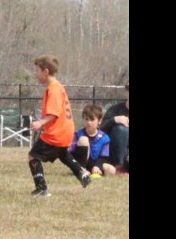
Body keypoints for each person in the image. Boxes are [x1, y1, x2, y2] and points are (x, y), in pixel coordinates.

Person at [26, 55, 93, 196]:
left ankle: (42, 189)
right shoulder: (58, 87)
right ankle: (81, 173)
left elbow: (54, 113)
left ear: (46, 71)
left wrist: (40, 123)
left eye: (37, 70)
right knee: (62, 154)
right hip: (66, 131)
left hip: (56, 133)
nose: (35, 74)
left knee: (33, 157)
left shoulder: (54, 89)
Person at [69, 103, 115, 176]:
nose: (89, 122)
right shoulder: (78, 135)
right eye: (86, 119)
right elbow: (71, 153)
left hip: (95, 163)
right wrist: (76, 166)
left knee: (111, 170)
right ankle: (81, 170)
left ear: (99, 121)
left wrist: (97, 166)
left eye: (92, 119)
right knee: (83, 140)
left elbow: (104, 157)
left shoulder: (104, 137)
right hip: (80, 163)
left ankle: (96, 171)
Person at [100, 82, 129, 173]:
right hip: (117, 151)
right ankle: (119, 166)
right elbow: (100, 129)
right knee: (121, 129)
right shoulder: (115, 109)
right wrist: (114, 120)